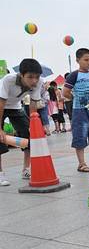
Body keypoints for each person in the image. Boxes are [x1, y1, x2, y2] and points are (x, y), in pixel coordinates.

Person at [0, 58, 43, 186]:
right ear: (21, 74)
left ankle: (26, 170)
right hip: (1, 105)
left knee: (30, 137)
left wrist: (33, 126)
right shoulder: (9, 80)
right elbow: (1, 105)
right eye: (30, 77)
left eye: (37, 77)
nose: (34, 81)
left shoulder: (39, 82)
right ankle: (0, 174)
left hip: (15, 107)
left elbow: (33, 105)